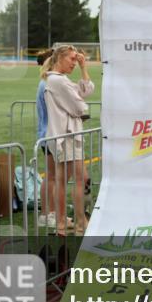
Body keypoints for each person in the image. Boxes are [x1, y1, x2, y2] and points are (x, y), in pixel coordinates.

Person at [42, 45, 94, 236]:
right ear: (60, 58)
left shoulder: (58, 80)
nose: (74, 62)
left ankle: (63, 225)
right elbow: (81, 108)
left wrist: (83, 67)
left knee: (64, 180)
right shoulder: (58, 81)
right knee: (78, 180)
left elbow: (86, 92)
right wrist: (80, 104)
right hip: (67, 135)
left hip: (62, 135)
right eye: (72, 59)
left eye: (76, 59)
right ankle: (78, 224)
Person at [35, 49, 66, 231]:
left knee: (51, 177)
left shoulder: (44, 82)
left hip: (47, 134)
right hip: (50, 135)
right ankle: (49, 213)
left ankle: (48, 213)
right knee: (53, 177)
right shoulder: (48, 83)